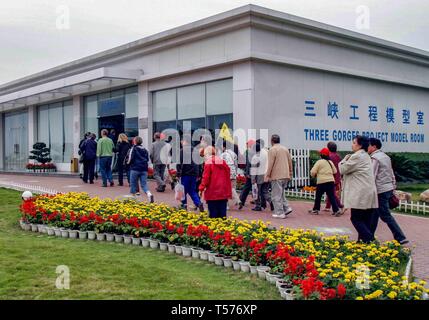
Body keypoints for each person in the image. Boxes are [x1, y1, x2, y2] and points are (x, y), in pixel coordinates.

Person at [368, 138, 408, 244]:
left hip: (380, 190)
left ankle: (400, 236)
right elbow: (391, 173)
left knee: (385, 214)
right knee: (374, 214)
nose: (367, 148)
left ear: (374, 146)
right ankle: (369, 236)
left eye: (368, 145)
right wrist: (393, 186)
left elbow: (372, 175)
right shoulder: (386, 157)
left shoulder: (375, 158)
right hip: (388, 188)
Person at [339, 135, 378, 243]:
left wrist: (344, 160)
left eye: (354, 143)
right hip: (368, 192)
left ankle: (371, 240)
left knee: (355, 218)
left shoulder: (357, 156)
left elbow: (342, 169)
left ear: (360, 145)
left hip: (360, 193)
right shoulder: (365, 155)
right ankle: (362, 242)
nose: (352, 145)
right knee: (364, 220)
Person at [264, 134, 293, 219]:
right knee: (281, 193)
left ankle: (279, 213)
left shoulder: (272, 150)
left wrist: (267, 175)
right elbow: (290, 162)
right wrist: (290, 173)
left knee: (276, 195)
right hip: (285, 175)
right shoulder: (285, 149)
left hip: (277, 176)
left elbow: (270, 164)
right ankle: (287, 208)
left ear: (271, 141)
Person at [198, 146, 232, 218]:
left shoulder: (208, 162)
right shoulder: (222, 161)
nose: (204, 158)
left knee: (213, 215)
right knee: (222, 215)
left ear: (207, 154)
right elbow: (228, 173)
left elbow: (206, 178)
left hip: (212, 191)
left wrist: (201, 188)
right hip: (223, 191)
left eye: (204, 155)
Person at [308, 148, 341, 216]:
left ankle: (316, 209)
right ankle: (336, 210)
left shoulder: (319, 162)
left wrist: (313, 175)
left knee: (318, 196)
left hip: (321, 182)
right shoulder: (330, 162)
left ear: (322, 155)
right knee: (331, 196)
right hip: (330, 181)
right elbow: (335, 171)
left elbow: (313, 172)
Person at [176, 137, 204, 212]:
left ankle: (184, 205)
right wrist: (199, 174)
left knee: (183, 190)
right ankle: (198, 203)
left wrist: (178, 174)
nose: (181, 142)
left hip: (185, 173)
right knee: (192, 190)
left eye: (182, 141)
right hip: (194, 174)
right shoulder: (195, 150)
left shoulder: (182, 150)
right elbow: (199, 163)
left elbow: (179, 163)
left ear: (185, 141)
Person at [128, 136, 154, 202]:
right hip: (144, 169)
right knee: (144, 184)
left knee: (133, 183)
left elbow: (130, 158)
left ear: (135, 141)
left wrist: (128, 163)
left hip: (135, 168)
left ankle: (134, 199)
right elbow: (148, 159)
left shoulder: (133, 148)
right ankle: (149, 194)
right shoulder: (145, 149)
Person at [250, 139, 273, 211]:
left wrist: (253, 179)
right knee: (265, 191)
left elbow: (254, 169)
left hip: (259, 176)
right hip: (267, 174)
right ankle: (271, 201)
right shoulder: (266, 152)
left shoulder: (255, 157)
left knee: (256, 192)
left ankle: (258, 206)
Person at [324, 142, 344, 212]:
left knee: (332, 193)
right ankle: (328, 206)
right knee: (330, 191)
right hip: (337, 176)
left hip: (331, 176)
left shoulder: (329, 156)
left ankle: (340, 205)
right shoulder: (338, 156)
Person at [220, 140, 240, 209]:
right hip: (233, 172)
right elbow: (236, 164)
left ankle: (228, 205)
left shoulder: (223, 155)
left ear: (224, 147)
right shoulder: (234, 154)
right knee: (232, 188)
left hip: (226, 173)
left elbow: (220, 165)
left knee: (225, 189)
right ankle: (237, 200)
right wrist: (235, 172)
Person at [238, 139, 256, 210]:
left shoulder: (249, 152)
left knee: (247, 187)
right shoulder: (256, 151)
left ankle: (241, 200)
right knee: (255, 187)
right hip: (256, 172)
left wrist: (247, 172)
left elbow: (248, 163)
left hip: (251, 172)